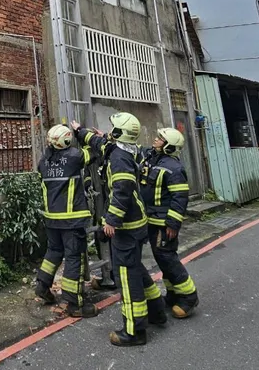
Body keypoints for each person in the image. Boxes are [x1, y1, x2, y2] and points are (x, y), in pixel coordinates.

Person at [75, 113, 166, 347]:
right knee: (137, 268)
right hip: (137, 223)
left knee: (127, 277)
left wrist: (112, 220)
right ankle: (157, 311)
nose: (108, 132)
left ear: (118, 134)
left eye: (112, 129)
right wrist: (80, 131)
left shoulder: (120, 159)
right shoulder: (124, 149)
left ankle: (135, 331)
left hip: (126, 227)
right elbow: (100, 142)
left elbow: (122, 190)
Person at [35, 123, 100, 318]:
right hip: (71, 219)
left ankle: (42, 287)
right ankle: (74, 303)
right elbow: (93, 153)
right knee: (74, 257)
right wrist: (85, 133)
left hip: (51, 218)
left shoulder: (43, 161)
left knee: (53, 252)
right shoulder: (74, 157)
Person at [139, 127, 199, 319]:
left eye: (160, 139)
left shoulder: (173, 168)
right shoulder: (153, 158)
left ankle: (189, 297)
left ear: (168, 146)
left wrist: (173, 223)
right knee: (161, 257)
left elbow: (179, 197)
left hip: (164, 223)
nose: (155, 140)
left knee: (166, 257)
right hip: (152, 220)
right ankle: (173, 294)